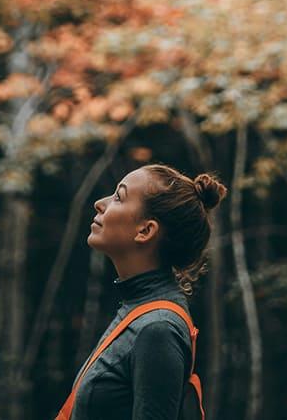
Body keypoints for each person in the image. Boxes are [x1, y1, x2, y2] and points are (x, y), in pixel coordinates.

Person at [62, 163, 227, 419]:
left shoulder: (157, 328)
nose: (99, 203)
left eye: (119, 196)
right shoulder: (138, 311)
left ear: (146, 231)